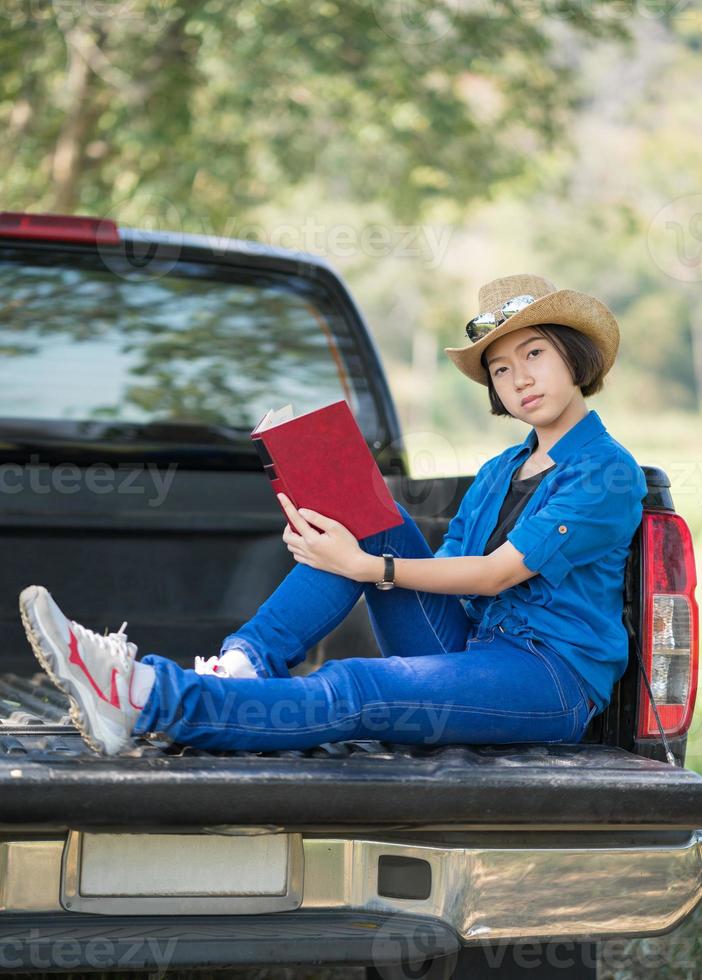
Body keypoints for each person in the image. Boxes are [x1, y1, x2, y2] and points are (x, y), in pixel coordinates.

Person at [19, 273, 648, 756]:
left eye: (534, 355)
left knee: (360, 685)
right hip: (474, 644)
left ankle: (143, 696)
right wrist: (344, 543)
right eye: (501, 368)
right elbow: (454, 569)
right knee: (362, 514)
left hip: (546, 678)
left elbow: (492, 575)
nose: (519, 379)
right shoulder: (499, 471)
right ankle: (243, 665)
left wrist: (367, 567)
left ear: (573, 356)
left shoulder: (605, 471)